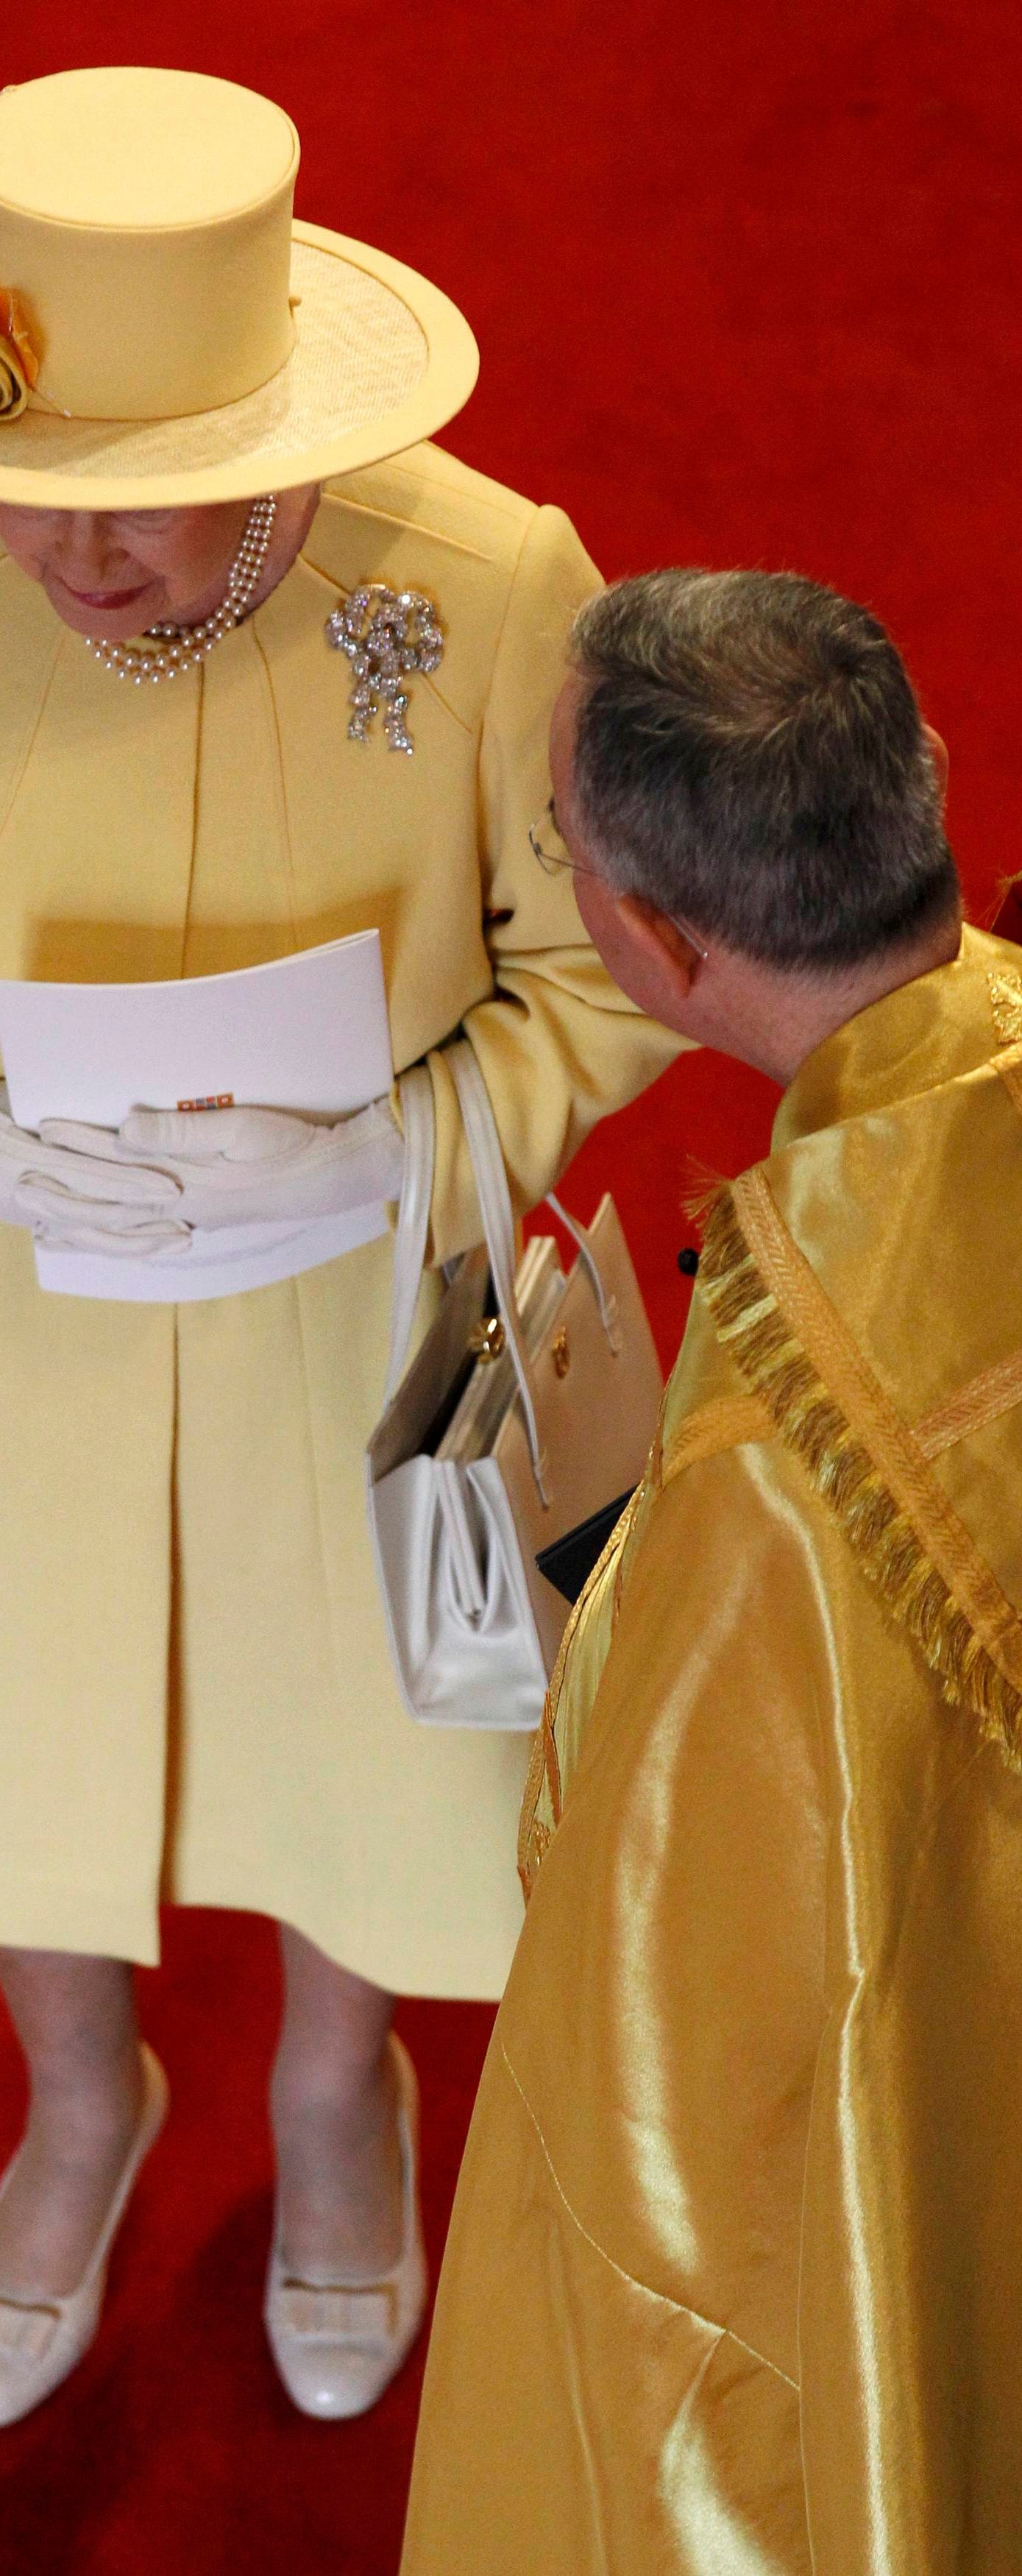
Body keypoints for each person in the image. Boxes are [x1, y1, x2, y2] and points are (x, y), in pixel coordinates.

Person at [0, 66, 681, 2432]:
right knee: (15, 1697)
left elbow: (615, 960)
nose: (77, 556)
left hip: (371, 1292)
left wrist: (415, 1149)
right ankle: (83, 2100)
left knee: (377, 1737)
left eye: (146, 500)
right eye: (33, 500)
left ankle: (338, 2093)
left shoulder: (499, 576)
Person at [402, 568, 1022, 2570]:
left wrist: (599, 1569)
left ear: (654, 943)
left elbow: (673, 2038)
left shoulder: (774, 1462)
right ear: (917, 779)